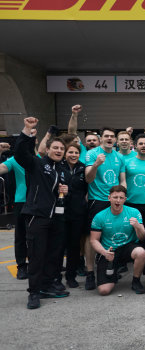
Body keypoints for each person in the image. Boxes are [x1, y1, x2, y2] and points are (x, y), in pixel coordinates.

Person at [15, 117, 70, 309]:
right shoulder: (37, 164)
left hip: (57, 218)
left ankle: (48, 284)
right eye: (55, 148)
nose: (58, 151)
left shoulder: (63, 170)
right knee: (37, 255)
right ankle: (34, 292)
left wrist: (65, 191)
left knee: (54, 255)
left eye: (61, 149)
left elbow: (62, 192)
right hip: (37, 216)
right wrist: (27, 130)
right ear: (47, 150)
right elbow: (21, 153)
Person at [84, 127, 127, 290]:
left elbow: (122, 180)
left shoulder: (119, 157)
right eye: (106, 136)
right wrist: (96, 164)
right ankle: (90, 272)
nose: (109, 138)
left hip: (115, 200)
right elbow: (88, 179)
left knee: (114, 233)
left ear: (115, 140)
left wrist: (122, 195)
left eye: (112, 136)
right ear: (101, 138)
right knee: (92, 236)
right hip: (98, 200)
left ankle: (112, 267)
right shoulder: (92, 154)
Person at [90, 185, 145, 295]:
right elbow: (93, 240)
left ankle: (136, 281)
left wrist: (138, 227)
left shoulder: (134, 212)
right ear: (109, 198)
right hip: (109, 251)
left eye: (121, 198)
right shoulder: (99, 216)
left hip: (127, 247)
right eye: (115, 197)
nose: (118, 201)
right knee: (104, 291)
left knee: (141, 252)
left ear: (125, 199)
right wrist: (104, 252)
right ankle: (114, 274)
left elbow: (142, 237)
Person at [62, 141, 88, 287]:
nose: (73, 155)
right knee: (58, 246)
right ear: (65, 153)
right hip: (60, 213)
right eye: (70, 152)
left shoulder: (83, 169)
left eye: (76, 153)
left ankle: (71, 276)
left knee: (74, 246)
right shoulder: (59, 167)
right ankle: (54, 277)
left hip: (78, 213)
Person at [0, 152, 27, 279]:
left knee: (41, 236)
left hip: (41, 202)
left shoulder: (41, 158)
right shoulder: (14, 159)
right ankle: (21, 266)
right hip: (21, 201)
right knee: (21, 236)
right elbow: (2, 168)